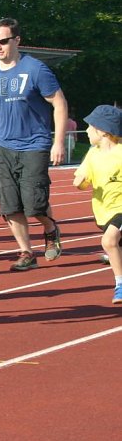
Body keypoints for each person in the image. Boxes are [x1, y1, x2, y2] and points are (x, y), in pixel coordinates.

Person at [0, 17, 67, 271]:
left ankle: (50, 228)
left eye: (3, 41)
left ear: (17, 40)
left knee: (34, 203)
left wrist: (58, 141)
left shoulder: (35, 69)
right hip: (2, 145)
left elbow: (59, 103)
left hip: (34, 143)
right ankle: (26, 252)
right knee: (9, 204)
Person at [72, 105, 122, 304]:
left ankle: (120, 284)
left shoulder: (120, 153)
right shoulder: (93, 154)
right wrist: (80, 182)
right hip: (104, 211)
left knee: (108, 241)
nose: (86, 131)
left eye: (90, 127)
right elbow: (84, 178)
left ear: (103, 131)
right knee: (114, 244)